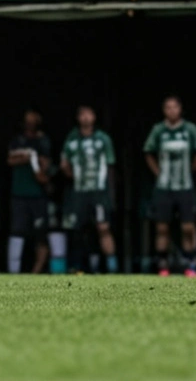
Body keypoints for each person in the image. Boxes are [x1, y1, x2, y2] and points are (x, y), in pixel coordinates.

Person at [144, 95, 196, 278]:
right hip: (164, 188)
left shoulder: (190, 130)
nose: (172, 111)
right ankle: (163, 266)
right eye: (168, 108)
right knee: (162, 227)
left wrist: (191, 169)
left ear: (180, 109)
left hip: (185, 186)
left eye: (175, 107)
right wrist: (158, 172)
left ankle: (191, 264)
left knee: (188, 227)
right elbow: (148, 152)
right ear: (164, 111)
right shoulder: (159, 130)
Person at [61, 105, 118, 274]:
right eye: (82, 115)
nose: (86, 118)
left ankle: (112, 267)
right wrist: (73, 175)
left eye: (89, 114)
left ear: (94, 117)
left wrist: (111, 194)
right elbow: (64, 163)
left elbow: (110, 166)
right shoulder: (72, 139)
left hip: (99, 192)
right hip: (79, 192)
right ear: (78, 118)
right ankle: (78, 267)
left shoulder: (102, 139)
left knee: (103, 227)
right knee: (78, 229)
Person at [8, 110, 54, 274]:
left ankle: (36, 271)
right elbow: (10, 160)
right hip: (19, 194)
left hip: (38, 195)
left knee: (41, 235)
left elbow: (45, 167)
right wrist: (26, 158)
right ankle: (13, 271)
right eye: (27, 120)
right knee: (17, 232)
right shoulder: (17, 140)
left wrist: (40, 169)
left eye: (33, 119)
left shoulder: (43, 141)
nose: (30, 123)